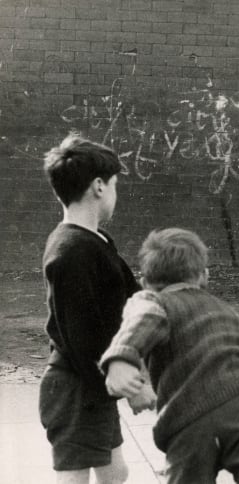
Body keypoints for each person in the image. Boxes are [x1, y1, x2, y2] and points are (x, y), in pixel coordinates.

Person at [99, 228, 239, 484]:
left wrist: (121, 359)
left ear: (145, 283)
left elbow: (141, 319)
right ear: (204, 276)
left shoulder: (154, 301)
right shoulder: (228, 312)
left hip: (191, 417)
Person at [39, 134, 156, 484]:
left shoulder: (95, 240)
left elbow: (132, 295)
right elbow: (83, 340)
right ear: (99, 187)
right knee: (74, 477)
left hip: (90, 380)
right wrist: (130, 386)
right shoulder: (70, 252)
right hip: (75, 385)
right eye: (116, 184)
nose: (116, 193)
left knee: (114, 471)